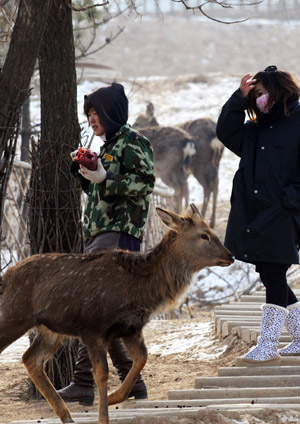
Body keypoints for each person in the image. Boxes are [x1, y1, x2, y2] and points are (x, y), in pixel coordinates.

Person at [58, 82, 155, 404]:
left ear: (112, 113)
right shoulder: (108, 145)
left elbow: (144, 184)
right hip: (100, 233)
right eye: (88, 113)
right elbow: (100, 193)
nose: (92, 119)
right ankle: (133, 383)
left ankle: (84, 381)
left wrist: (105, 178)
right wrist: (85, 173)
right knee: (106, 312)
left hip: (120, 234)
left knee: (94, 308)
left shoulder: (132, 142)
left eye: (96, 112)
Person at [216, 66, 300, 364]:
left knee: (275, 272)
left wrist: (289, 200)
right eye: (256, 96)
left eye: (262, 93)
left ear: (280, 91)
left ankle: (268, 345)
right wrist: (239, 98)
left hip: (282, 214)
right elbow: (225, 131)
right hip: (253, 214)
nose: (260, 100)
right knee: (268, 272)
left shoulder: (298, 123)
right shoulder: (255, 129)